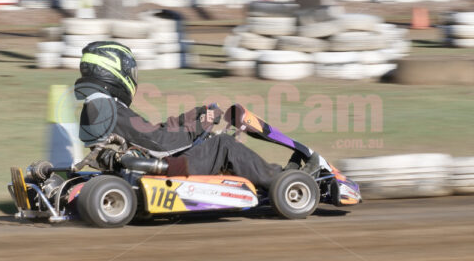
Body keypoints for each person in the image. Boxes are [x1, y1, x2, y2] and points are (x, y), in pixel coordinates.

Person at [75, 41, 318, 190]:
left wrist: (190, 117)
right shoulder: (108, 107)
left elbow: (148, 135)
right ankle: (283, 181)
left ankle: (270, 176)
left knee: (214, 142)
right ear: (113, 71)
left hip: (147, 166)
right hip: (161, 170)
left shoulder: (99, 105)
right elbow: (160, 143)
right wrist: (199, 126)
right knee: (223, 144)